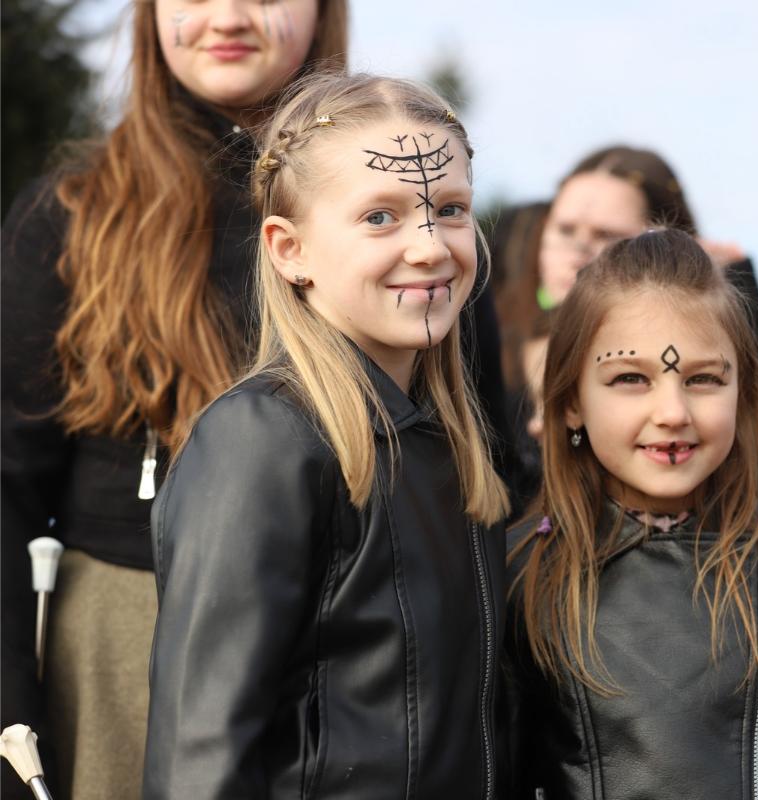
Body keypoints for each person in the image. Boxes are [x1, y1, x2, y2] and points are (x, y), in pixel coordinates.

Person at [1, 2, 347, 797]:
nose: (225, 15)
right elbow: (5, 486)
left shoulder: (393, 226)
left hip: (342, 657)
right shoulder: (71, 216)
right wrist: (11, 725)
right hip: (119, 667)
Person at [144, 72, 510, 798]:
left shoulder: (453, 446)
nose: (430, 247)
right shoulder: (259, 440)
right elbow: (201, 752)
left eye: (450, 209)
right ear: (290, 250)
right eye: (380, 217)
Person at [504, 229, 758, 798]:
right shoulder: (520, 575)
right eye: (630, 378)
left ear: (743, 395)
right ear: (571, 401)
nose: (672, 411)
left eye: (703, 379)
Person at [497, 145, 758, 532]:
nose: (578, 253)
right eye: (565, 230)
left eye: (607, 235)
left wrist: (744, 292)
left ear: (665, 246)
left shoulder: (717, 346)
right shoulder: (493, 348)